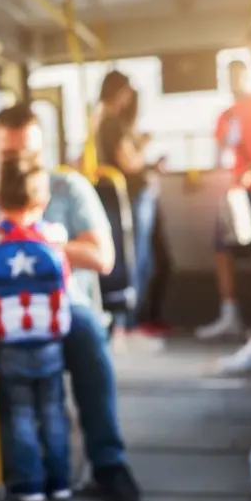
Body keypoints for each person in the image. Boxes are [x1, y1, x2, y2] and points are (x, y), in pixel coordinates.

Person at [0, 104, 142, 501]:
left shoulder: (67, 188)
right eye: (9, 155)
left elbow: (102, 257)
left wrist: (36, 247)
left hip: (62, 303)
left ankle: (108, 460)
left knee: (86, 333)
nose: (18, 163)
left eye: (28, 154)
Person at [0, 152, 73, 501]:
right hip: (49, 341)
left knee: (19, 412)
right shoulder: (53, 237)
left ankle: (30, 484)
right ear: (43, 199)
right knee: (52, 410)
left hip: (10, 344)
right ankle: (60, 481)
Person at [196, 60, 251, 341]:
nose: (234, 81)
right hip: (235, 190)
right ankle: (230, 313)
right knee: (222, 246)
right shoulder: (225, 116)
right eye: (229, 77)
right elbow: (220, 152)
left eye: (238, 76)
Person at [94, 75, 165, 350]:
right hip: (134, 193)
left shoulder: (100, 120)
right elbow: (130, 162)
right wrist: (145, 149)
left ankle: (127, 322)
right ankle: (127, 323)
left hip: (129, 194)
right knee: (136, 258)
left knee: (135, 257)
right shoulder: (112, 122)